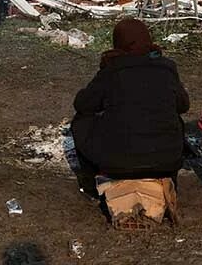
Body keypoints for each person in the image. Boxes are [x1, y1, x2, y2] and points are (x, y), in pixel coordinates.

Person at [72, 19, 189, 195]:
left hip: (118, 164)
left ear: (118, 42)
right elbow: (183, 106)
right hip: (166, 162)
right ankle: (169, 179)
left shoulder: (113, 69)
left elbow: (83, 104)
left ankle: (89, 182)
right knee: (176, 120)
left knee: (80, 121)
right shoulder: (166, 68)